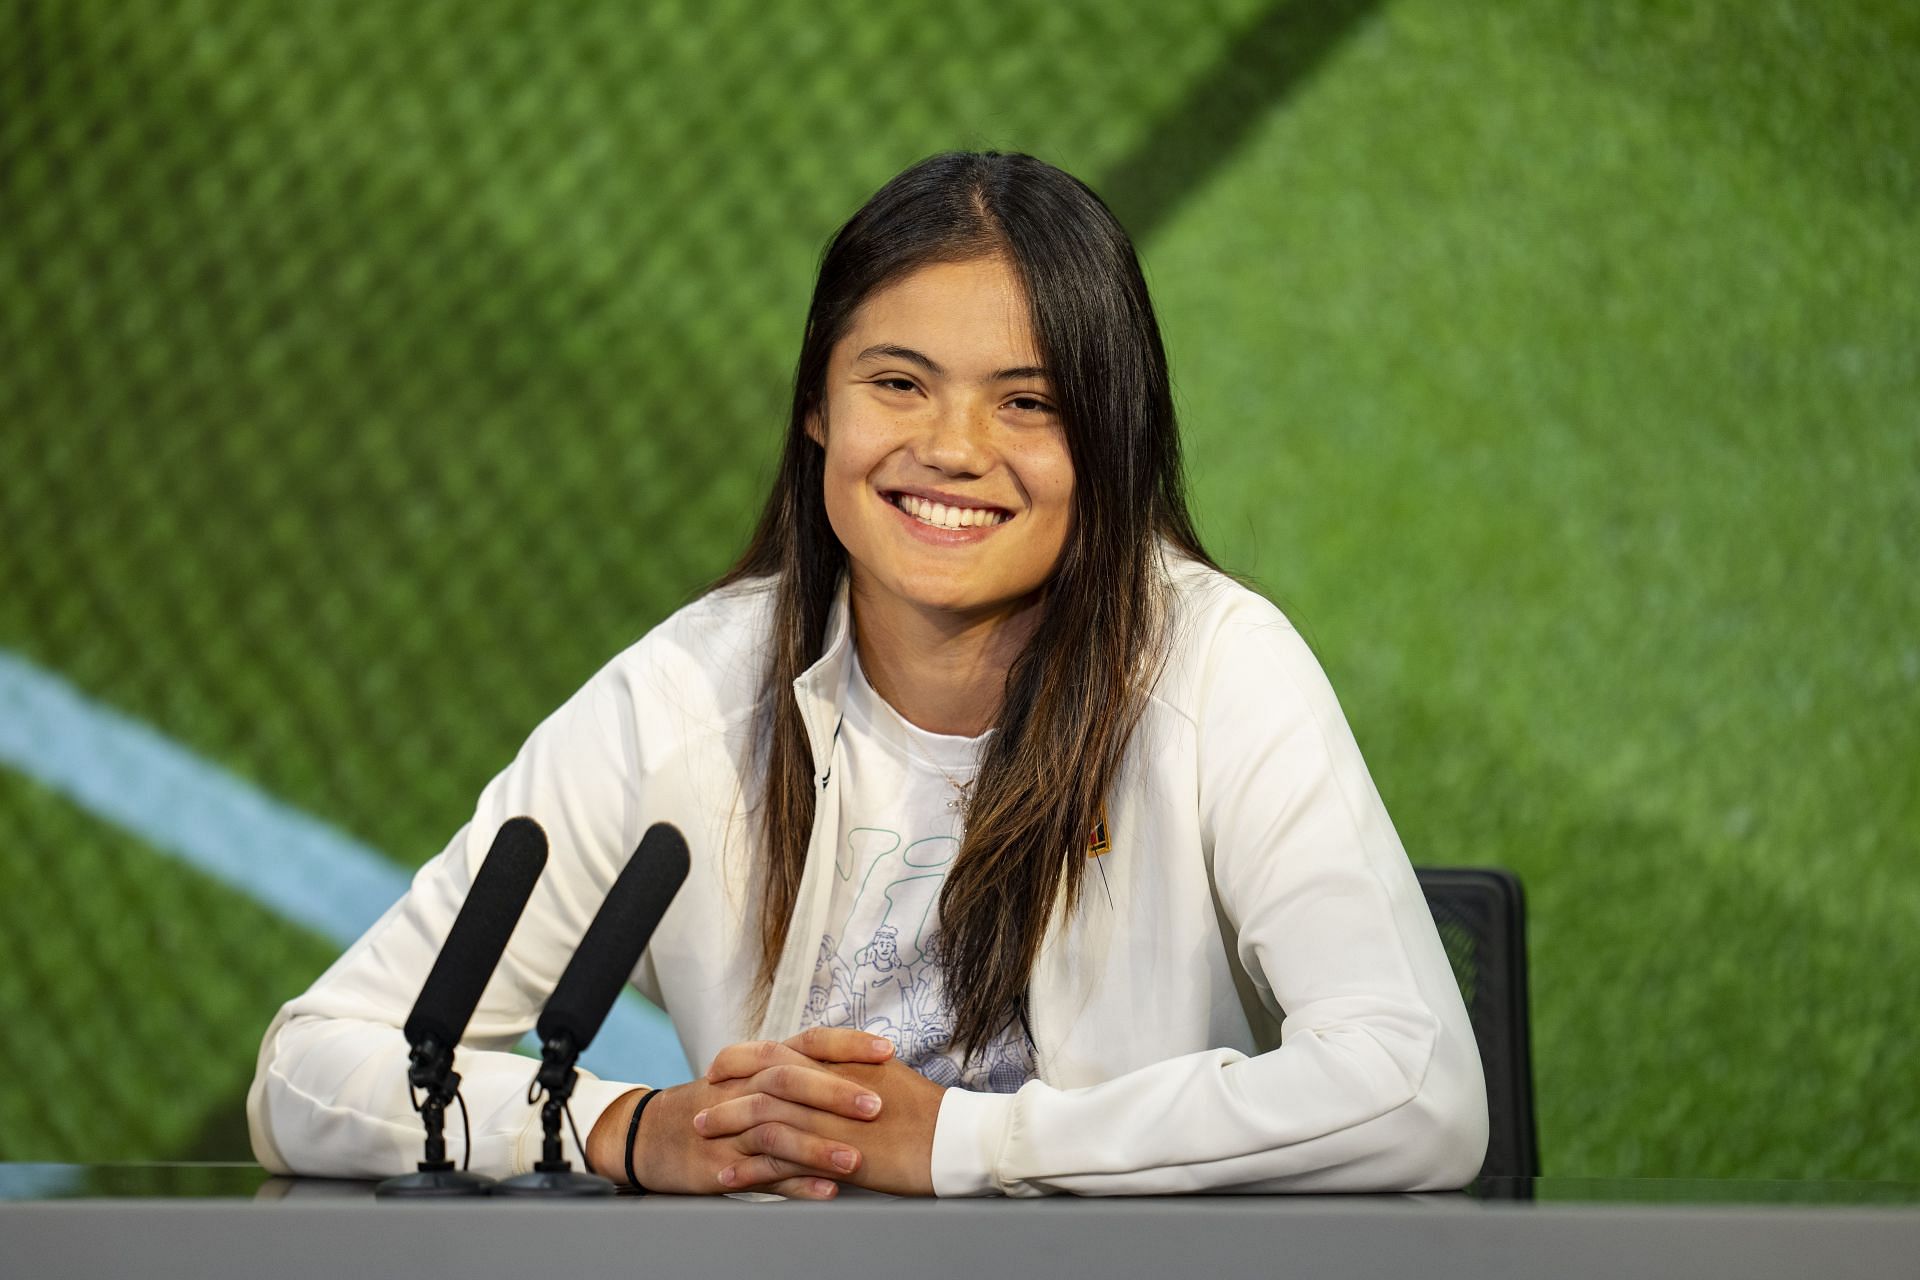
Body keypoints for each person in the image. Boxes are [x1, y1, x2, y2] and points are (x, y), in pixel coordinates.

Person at [246, 151, 1488, 1198]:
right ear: (817, 410)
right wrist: (622, 1129)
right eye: (898, 383)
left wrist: (963, 1137)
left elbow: (1418, 1090)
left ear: (1111, 440)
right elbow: (312, 1067)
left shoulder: (1219, 667)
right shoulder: (686, 695)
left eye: (1029, 403)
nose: (953, 450)